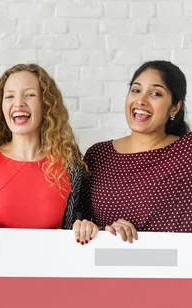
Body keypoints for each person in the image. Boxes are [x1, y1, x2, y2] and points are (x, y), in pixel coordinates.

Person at [0, 63, 89, 244]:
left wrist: (87, 227)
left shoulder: (70, 165)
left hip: (51, 269)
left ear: (46, 104)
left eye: (30, 95)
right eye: (9, 96)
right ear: (1, 106)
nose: (19, 103)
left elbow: (78, 225)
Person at [78, 60, 192, 243]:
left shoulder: (187, 151)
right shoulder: (99, 154)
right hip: (107, 266)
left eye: (155, 93)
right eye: (136, 90)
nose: (141, 100)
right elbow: (78, 219)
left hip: (173, 266)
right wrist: (102, 231)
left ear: (175, 107)